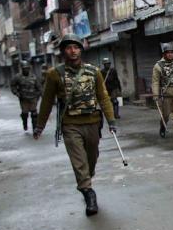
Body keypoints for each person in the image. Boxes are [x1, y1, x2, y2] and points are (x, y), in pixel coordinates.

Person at [34, 34, 116, 216]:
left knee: (91, 158)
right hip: (70, 125)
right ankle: (88, 193)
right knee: (79, 161)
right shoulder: (55, 74)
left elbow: (103, 97)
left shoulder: (93, 72)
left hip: (93, 122)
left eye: (76, 47)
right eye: (69, 47)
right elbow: (47, 102)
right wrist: (40, 126)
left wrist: (111, 121)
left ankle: (87, 178)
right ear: (63, 51)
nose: (72, 51)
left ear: (80, 50)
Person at [10, 61, 43, 132]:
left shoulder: (34, 77)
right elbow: (13, 86)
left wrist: (40, 94)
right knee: (25, 113)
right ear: (22, 69)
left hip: (33, 98)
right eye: (24, 68)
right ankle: (25, 123)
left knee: (34, 113)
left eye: (27, 68)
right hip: (23, 98)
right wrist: (17, 93)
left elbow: (39, 87)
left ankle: (35, 129)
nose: (26, 70)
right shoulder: (17, 77)